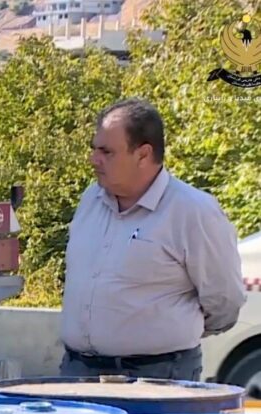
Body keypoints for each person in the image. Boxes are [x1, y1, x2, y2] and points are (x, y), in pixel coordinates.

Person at [59, 98, 246, 381]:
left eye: (106, 151)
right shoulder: (91, 199)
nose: (93, 160)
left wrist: (170, 333)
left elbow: (225, 301)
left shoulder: (192, 211)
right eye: (94, 149)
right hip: (78, 372)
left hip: (158, 376)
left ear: (143, 155)